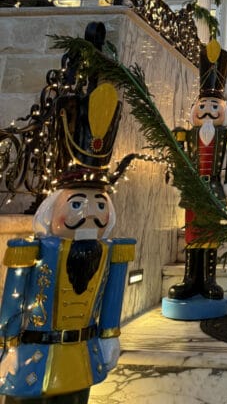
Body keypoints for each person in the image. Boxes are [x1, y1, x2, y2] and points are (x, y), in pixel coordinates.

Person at [0, 67, 135, 403]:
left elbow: (112, 298)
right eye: (77, 203)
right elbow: (14, 298)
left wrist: (109, 337)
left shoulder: (111, 252)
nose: (90, 212)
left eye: (99, 204)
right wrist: (10, 344)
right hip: (34, 356)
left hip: (81, 355)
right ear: (52, 209)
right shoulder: (30, 250)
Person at [167, 39, 227, 304]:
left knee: (210, 232)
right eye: (203, 105)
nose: (207, 110)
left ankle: (208, 279)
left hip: (213, 188)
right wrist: (179, 178)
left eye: (213, 106)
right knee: (191, 232)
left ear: (223, 110)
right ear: (194, 109)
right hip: (193, 188)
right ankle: (190, 278)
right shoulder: (188, 134)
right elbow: (179, 157)